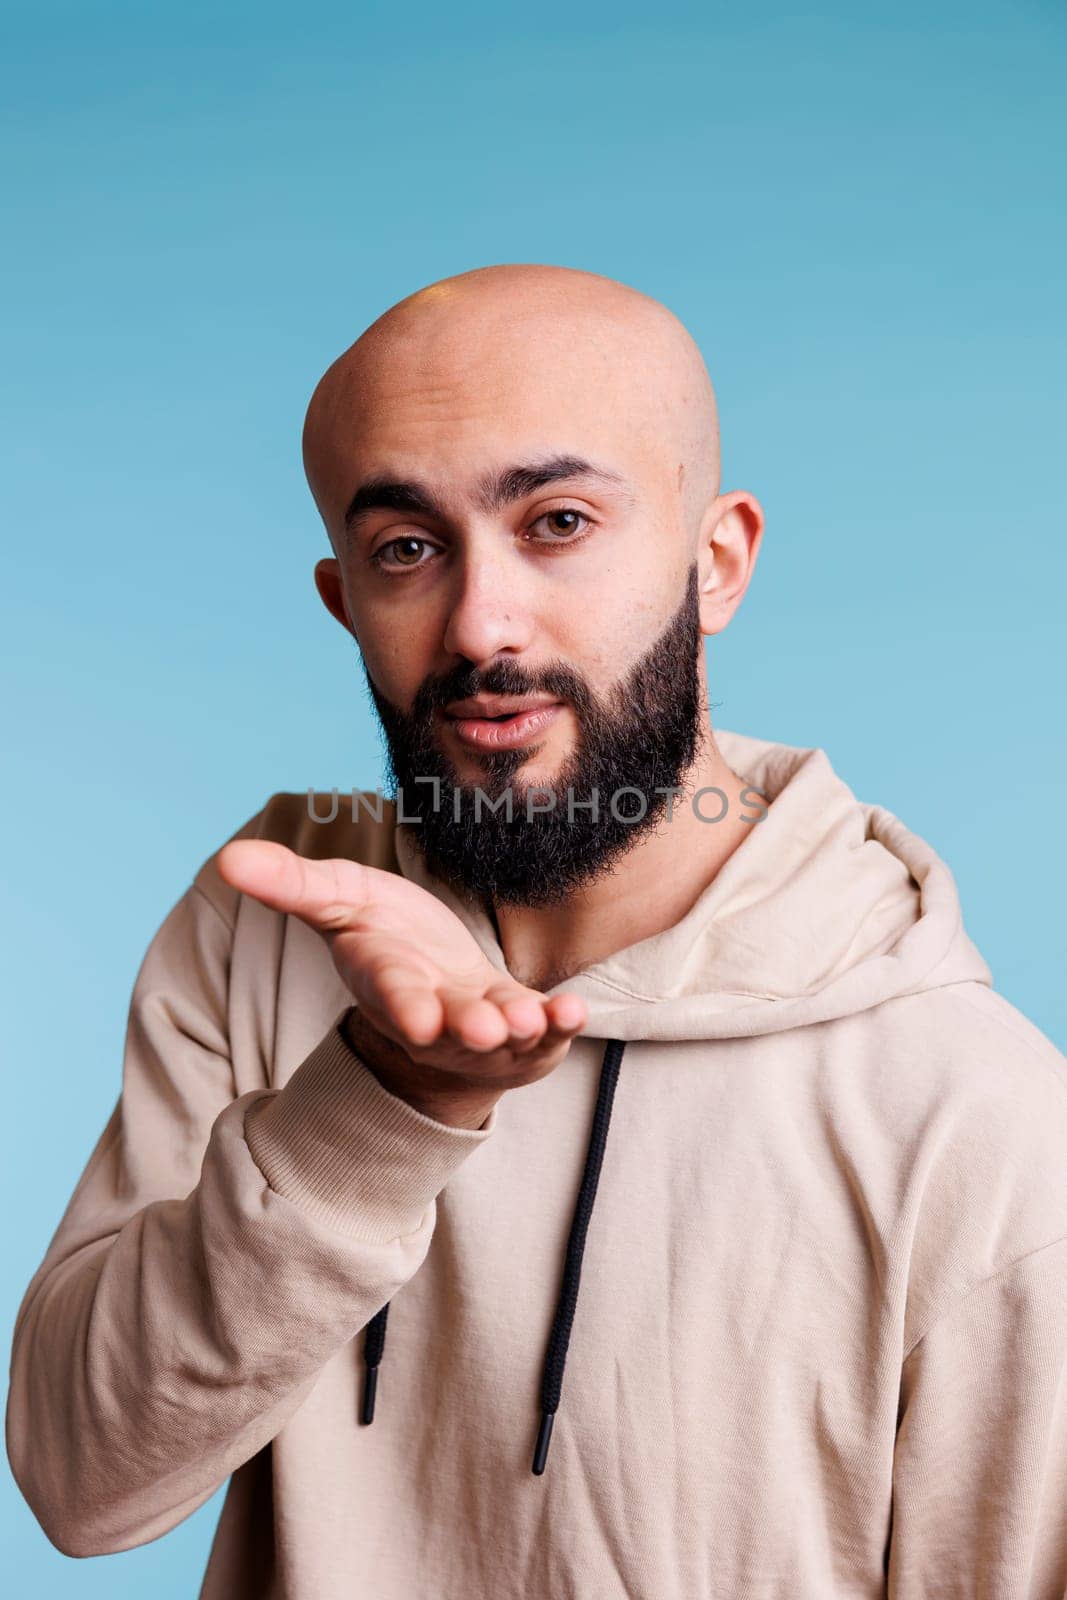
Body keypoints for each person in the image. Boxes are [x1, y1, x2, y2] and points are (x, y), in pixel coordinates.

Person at [7, 263, 1067, 1599]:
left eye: (558, 522)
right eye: (407, 547)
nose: (481, 625)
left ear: (718, 560)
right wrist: (386, 1101)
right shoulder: (266, 923)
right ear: (345, 602)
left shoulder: (983, 1123)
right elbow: (80, 1482)